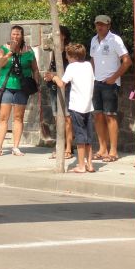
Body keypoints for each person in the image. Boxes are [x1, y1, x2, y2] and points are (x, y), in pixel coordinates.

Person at [0, 25, 40, 157]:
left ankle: (16, 147)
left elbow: (35, 68)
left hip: (22, 88)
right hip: (6, 86)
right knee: (3, 117)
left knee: (18, 117)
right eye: (13, 34)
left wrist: (36, 83)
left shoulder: (28, 51)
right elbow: (0, 63)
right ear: (10, 35)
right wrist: (10, 52)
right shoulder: (4, 48)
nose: (15, 36)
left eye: (18, 34)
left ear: (22, 36)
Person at [44, 42, 94, 173]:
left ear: (71, 56)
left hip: (77, 106)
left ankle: (81, 166)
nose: (65, 57)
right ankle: (90, 164)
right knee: (88, 136)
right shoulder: (88, 65)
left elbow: (62, 84)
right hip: (89, 106)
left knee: (80, 136)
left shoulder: (71, 67)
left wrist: (53, 77)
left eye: (67, 54)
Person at [88, 14, 131, 163]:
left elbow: (127, 61)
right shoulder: (93, 40)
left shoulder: (115, 40)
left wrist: (113, 78)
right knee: (98, 116)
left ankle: (113, 151)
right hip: (96, 82)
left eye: (103, 24)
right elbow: (92, 59)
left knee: (110, 116)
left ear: (108, 26)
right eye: (97, 24)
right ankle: (102, 149)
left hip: (110, 84)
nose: (100, 27)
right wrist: (91, 78)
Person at [46, 26, 74, 160]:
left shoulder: (69, 49)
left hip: (66, 86)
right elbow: (52, 66)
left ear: (64, 36)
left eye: (58, 34)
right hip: (53, 85)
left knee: (67, 117)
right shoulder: (54, 50)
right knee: (57, 117)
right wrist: (49, 75)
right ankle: (60, 146)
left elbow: (71, 69)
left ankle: (69, 148)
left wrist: (56, 75)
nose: (55, 36)